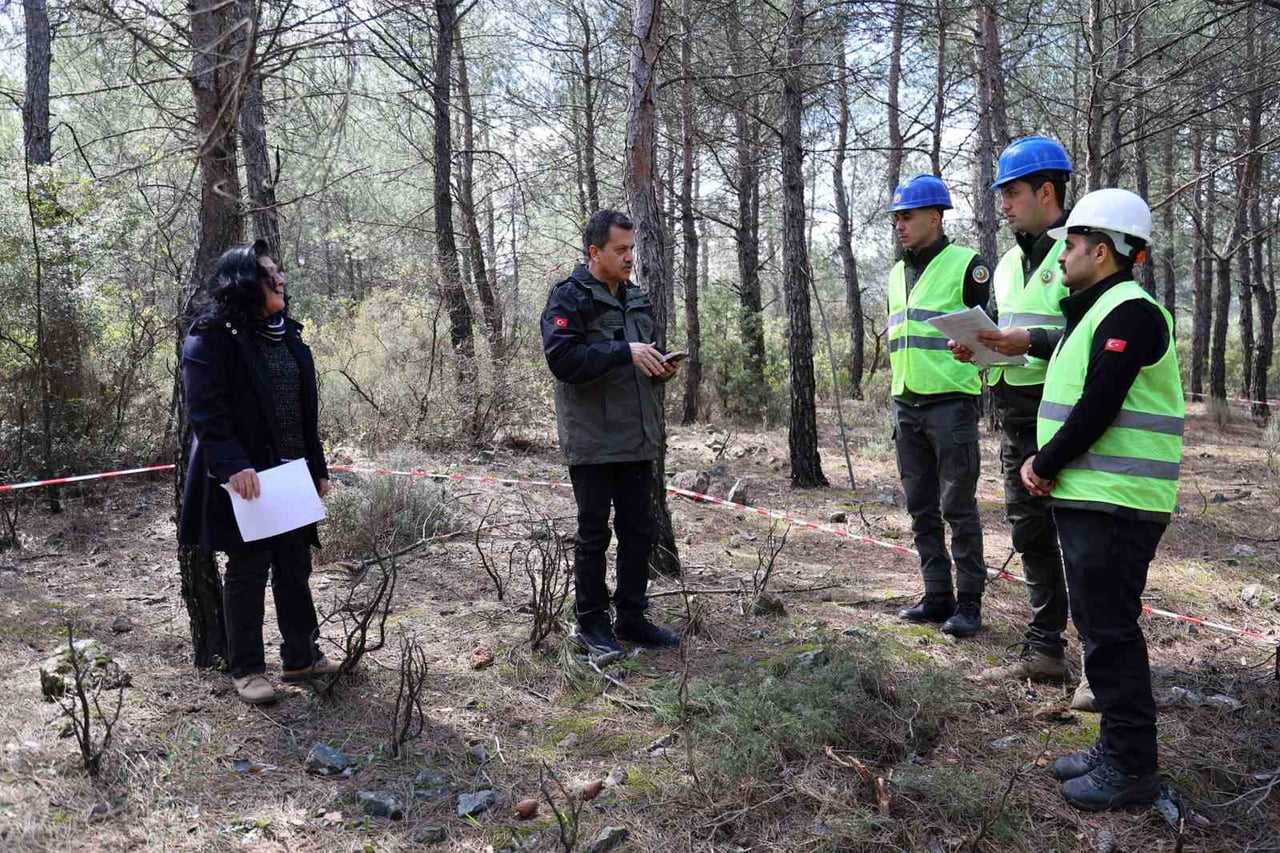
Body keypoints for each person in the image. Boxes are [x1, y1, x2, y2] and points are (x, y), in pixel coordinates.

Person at [1021, 188, 1183, 811]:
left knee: (1111, 631)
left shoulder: (1131, 312)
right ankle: (1115, 746)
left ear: (1103, 249)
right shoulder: (1097, 312)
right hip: (1095, 495)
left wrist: (1044, 463)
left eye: (1071, 243)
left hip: (1118, 498)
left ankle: (1132, 766)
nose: (1061, 255)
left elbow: (1099, 404)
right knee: (1097, 625)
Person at [179, 240, 336, 705]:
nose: (281, 280)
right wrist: (233, 465)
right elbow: (205, 411)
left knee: (295, 566)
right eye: (270, 274)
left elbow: (304, 412)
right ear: (245, 283)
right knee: (248, 569)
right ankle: (246, 669)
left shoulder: (287, 334)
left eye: (280, 272)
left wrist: (317, 466)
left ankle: (302, 657)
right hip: (245, 479)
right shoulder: (211, 335)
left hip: (291, 472)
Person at [951, 136, 1074, 685]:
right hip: (1015, 414)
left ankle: (1100, 664)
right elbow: (1011, 330)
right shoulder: (1005, 263)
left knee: (1081, 539)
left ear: (1046, 191)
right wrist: (979, 346)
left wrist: (1032, 340)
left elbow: (1099, 334)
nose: (1003, 204)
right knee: (1029, 534)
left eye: (1012, 192)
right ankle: (1045, 649)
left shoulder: (1083, 251)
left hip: (1066, 414)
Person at [540, 210, 682, 660]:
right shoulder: (569, 297)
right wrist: (625, 351)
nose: (629, 258)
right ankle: (592, 624)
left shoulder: (636, 297)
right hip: (593, 439)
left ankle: (632, 617)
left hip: (637, 436)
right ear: (594, 251)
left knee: (639, 530)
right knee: (593, 534)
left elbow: (643, 355)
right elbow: (563, 360)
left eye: (631, 249)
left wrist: (660, 367)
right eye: (620, 250)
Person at [886, 175, 990, 637]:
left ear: (935, 217)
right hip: (905, 404)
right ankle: (936, 596)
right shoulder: (896, 273)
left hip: (951, 404)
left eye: (907, 217)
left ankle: (969, 604)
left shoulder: (968, 266)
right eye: (896, 218)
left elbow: (987, 334)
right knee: (921, 508)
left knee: (958, 507)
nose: (899, 225)